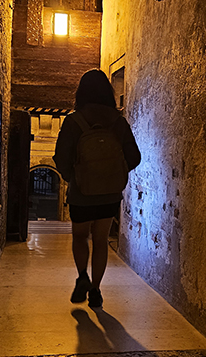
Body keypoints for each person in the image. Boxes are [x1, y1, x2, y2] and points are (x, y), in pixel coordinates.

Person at [53, 69, 141, 308]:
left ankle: (82, 276)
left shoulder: (74, 121)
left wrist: (75, 177)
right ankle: (96, 290)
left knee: (80, 237)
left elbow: (60, 157)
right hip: (109, 195)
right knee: (101, 239)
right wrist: (113, 174)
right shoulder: (118, 122)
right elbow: (134, 157)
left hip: (81, 193)